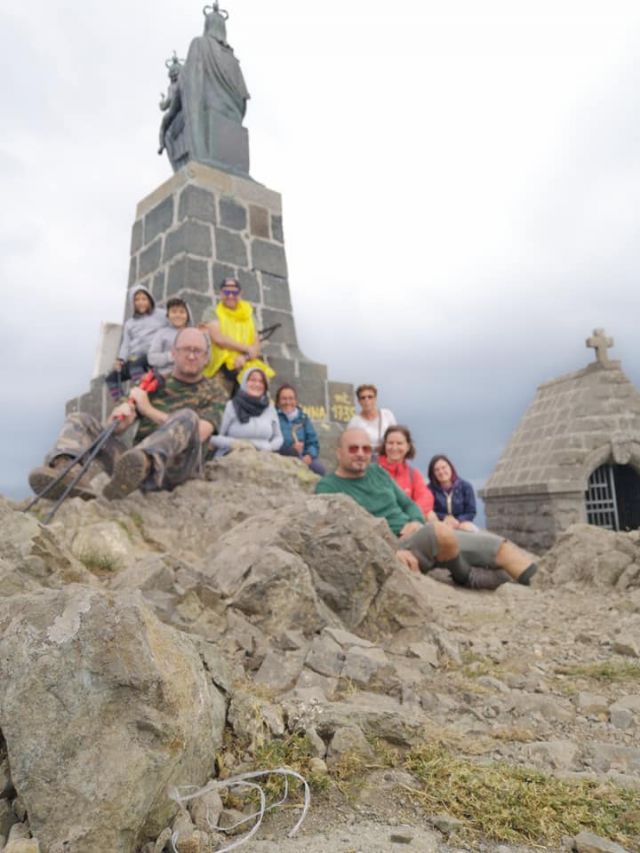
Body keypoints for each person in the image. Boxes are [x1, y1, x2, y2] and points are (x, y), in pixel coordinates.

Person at [315, 428, 538, 590]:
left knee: (501, 548)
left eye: (366, 448)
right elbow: (338, 538)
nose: (361, 453)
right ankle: (465, 574)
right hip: (395, 544)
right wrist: (388, 552)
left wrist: (414, 520)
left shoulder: (379, 473)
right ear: (339, 453)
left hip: (420, 534)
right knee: (440, 531)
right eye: (353, 448)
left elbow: (409, 504)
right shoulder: (328, 487)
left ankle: (539, 587)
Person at [29, 328, 228, 501]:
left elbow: (201, 432)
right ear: (174, 353)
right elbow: (113, 427)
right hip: (132, 468)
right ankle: (67, 471)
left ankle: (145, 462)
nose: (192, 356)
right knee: (80, 419)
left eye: (197, 351)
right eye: (186, 349)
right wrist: (123, 415)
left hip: (179, 468)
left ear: (206, 357)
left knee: (188, 416)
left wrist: (147, 409)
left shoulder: (216, 391)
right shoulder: (152, 382)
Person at [201, 277, 274, 395]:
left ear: (240, 294)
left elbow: (256, 346)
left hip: (246, 362)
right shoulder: (212, 311)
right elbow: (218, 338)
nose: (230, 296)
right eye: (227, 292)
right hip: (221, 364)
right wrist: (246, 349)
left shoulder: (250, 314)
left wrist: (244, 357)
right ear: (221, 293)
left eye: (234, 292)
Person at [105, 286, 168, 400]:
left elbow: (174, 323)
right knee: (111, 378)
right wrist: (121, 360)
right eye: (137, 299)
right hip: (135, 357)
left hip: (152, 355)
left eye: (144, 299)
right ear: (132, 303)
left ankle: (141, 390)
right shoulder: (130, 323)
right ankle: (121, 401)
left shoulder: (161, 315)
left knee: (135, 365)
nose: (140, 302)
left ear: (149, 300)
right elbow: (125, 344)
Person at [210, 367, 283, 455]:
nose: (256, 384)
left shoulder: (269, 408)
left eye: (261, 381)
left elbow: (278, 437)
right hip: (232, 455)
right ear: (244, 382)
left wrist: (269, 447)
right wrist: (237, 444)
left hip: (263, 456)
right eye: (252, 380)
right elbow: (215, 437)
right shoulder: (231, 405)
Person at [377, 425, 435, 521]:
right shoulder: (374, 469)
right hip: (380, 521)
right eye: (390, 443)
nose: (394, 447)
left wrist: (410, 513)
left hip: (406, 520)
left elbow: (426, 497)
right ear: (385, 445)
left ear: (407, 446)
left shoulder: (413, 474)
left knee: (431, 515)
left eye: (399, 443)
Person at [275, 384, 326, 475]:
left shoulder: (303, 419)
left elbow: (313, 442)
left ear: (296, 400)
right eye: (284, 399)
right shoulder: (274, 417)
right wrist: (290, 450)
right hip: (281, 456)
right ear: (278, 402)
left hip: (303, 457)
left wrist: (309, 455)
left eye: (291, 398)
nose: (288, 402)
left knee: (320, 470)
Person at [428, 454, 478, 532]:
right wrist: (445, 517)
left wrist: (457, 520)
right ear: (433, 473)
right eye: (436, 470)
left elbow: (471, 512)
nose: (441, 472)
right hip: (439, 523)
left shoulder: (465, 486)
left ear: (451, 467)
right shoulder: (429, 489)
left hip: (461, 523)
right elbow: (428, 510)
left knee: (467, 527)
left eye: (444, 467)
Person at [148, 297, 192, 375]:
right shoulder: (161, 333)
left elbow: (205, 356)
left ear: (188, 316)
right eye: (174, 312)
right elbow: (151, 358)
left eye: (182, 312)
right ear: (168, 316)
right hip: (167, 375)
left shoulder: (194, 334)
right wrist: (171, 356)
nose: (178, 315)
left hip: (190, 375)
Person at [347, 384, 396, 449]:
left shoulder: (387, 414)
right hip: (365, 457)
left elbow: (396, 435)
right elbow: (349, 443)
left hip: (386, 455)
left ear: (375, 399)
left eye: (370, 397)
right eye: (363, 398)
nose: (366, 400)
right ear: (359, 401)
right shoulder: (354, 421)